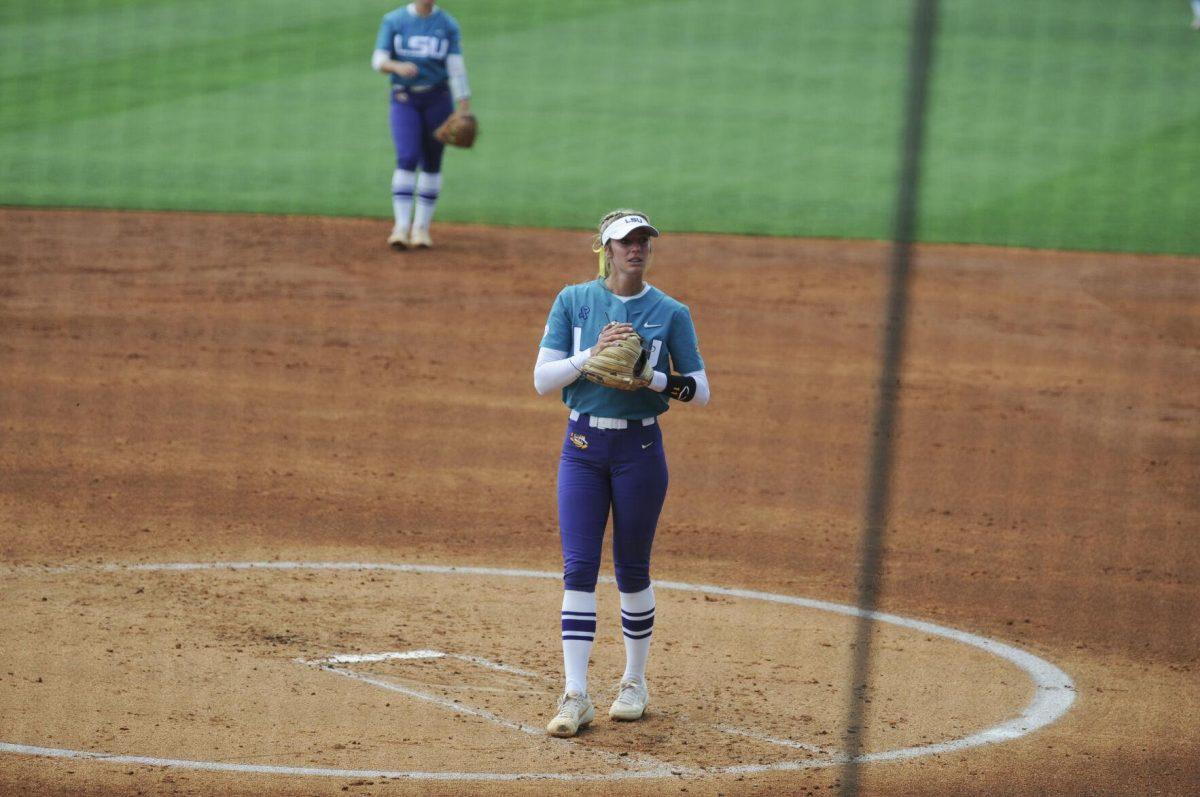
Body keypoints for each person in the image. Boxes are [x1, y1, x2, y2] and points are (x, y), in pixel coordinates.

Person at [533, 209, 711, 738]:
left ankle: (634, 682)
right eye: (624, 242)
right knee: (579, 569)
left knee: (632, 569)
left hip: (640, 450)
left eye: (643, 241)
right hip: (582, 448)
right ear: (605, 248)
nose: (635, 249)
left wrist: (651, 378)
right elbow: (543, 380)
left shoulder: (671, 312)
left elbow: (699, 390)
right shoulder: (573, 301)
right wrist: (591, 356)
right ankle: (576, 695)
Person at [372, 1, 472, 249]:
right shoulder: (394, 20)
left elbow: (455, 66)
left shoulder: (447, 24)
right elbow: (378, 59)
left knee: (432, 161)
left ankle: (421, 229)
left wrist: (463, 102)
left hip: (438, 99)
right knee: (407, 156)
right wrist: (396, 66)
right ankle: (401, 227)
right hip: (404, 98)